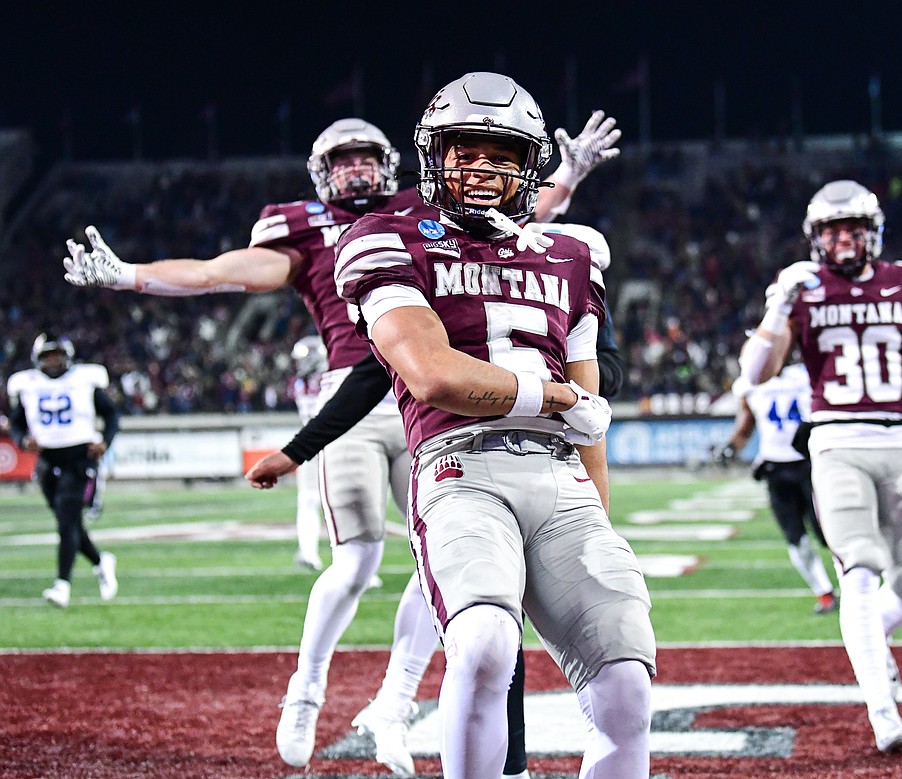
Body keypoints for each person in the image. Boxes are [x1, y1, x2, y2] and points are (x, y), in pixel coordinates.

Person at [63, 109, 622, 774]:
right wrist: (129, 275)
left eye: (366, 157)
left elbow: (514, 211)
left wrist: (569, 174)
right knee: (357, 561)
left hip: (446, 402)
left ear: (392, 161)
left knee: (449, 560)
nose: (356, 169)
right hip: (356, 397)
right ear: (321, 173)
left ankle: (392, 700)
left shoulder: (430, 208)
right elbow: (220, 272)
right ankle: (307, 687)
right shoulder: (307, 229)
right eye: (342, 160)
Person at [332, 71, 656, 779]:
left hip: (561, 479)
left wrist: (599, 514)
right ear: (434, 156)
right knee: (480, 642)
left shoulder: (573, 254)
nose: (481, 168)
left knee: (627, 679)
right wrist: (556, 397)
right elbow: (433, 374)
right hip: (459, 465)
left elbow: (590, 414)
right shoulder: (384, 236)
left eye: (501, 154)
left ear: (528, 167)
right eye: (464, 151)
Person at [738, 179, 902, 754]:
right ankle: (883, 710)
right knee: (858, 570)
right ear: (816, 237)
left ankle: (871, 643)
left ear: (873, 232)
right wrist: (777, 306)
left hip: (901, 442)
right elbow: (755, 373)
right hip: (836, 444)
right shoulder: (802, 289)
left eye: (853, 228)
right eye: (833, 230)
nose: (843, 240)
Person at [7, 333, 120, 609]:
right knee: (67, 520)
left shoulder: (84, 380)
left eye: (57, 354)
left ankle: (62, 585)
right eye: (47, 355)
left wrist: (105, 441)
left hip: (79, 456)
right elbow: (17, 422)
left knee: (66, 520)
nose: (53, 360)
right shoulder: (28, 385)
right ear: (38, 359)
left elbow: (111, 413)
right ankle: (100, 561)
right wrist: (23, 440)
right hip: (47, 460)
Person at [717, 356, 838, 614]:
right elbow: (746, 425)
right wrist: (731, 448)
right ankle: (825, 592)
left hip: (809, 465)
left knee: (830, 533)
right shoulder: (750, 383)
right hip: (775, 469)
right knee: (796, 539)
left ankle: (856, 586)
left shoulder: (807, 373)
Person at [289, 335, 328, 572]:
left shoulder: (327, 379)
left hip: (332, 441)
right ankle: (308, 553)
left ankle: (359, 566)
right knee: (308, 499)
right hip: (313, 442)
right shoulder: (301, 383)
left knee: (346, 501)